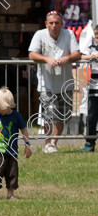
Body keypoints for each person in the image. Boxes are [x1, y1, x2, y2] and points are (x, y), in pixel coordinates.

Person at [28, 11, 80, 153]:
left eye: (57, 23)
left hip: (65, 83)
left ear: (62, 24)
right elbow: (32, 54)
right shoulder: (40, 34)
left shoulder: (68, 34)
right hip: (46, 84)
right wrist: (47, 59)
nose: (54, 26)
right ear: (46, 24)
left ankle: (53, 143)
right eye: (51, 23)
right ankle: (47, 143)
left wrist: (67, 58)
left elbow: (77, 53)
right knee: (49, 116)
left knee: (63, 116)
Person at [0, 87, 32, 200]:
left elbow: (24, 130)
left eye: (1, 108)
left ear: (9, 105)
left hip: (12, 151)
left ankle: (10, 194)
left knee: (12, 173)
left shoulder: (16, 116)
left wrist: (27, 145)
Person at [78, 22, 98, 152]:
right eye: (97, 36)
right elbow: (80, 56)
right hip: (93, 87)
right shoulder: (91, 47)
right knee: (91, 117)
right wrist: (93, 56)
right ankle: (89, 143)